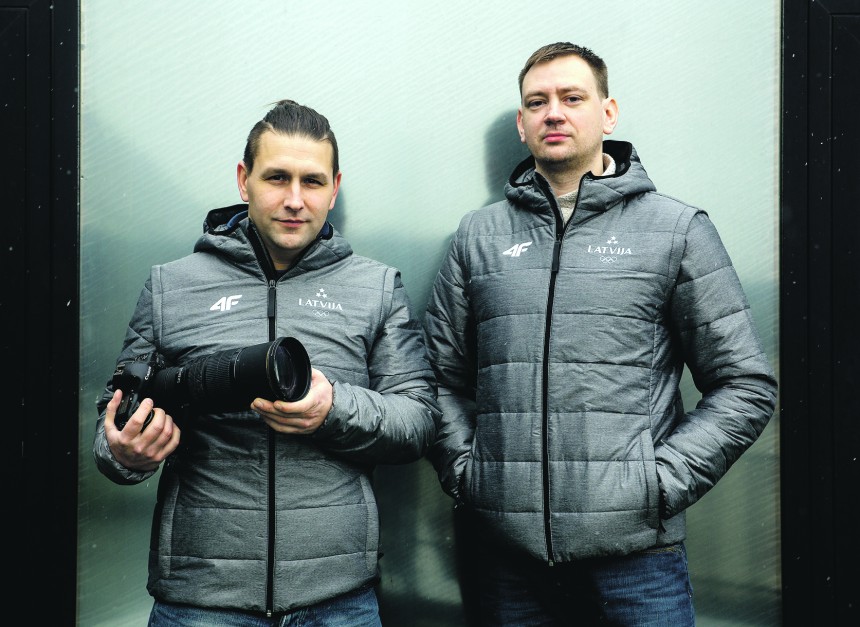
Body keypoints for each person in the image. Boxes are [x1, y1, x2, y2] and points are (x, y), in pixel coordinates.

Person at [423, 42, 778, 626]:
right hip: (506, 563)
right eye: (537, 102)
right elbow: (437, 378)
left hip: (637, 564)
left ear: (608, 113)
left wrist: (657, 486)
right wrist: (471, 475)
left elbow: (746, 385)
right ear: (521, 124)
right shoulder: (478, 237)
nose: (553, 113)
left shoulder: (675, 229)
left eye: (572, 97)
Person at [93, 99, 440, 626]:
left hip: (338, 601)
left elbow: (418, 420)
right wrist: (126, 452)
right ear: (244, 180)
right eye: (277, 177)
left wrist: (333, 410)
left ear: (334, 188)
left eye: (312, 181)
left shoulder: (376, 287)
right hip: (201, 602)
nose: (294, 200)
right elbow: (114, 419)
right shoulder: (172, 285)